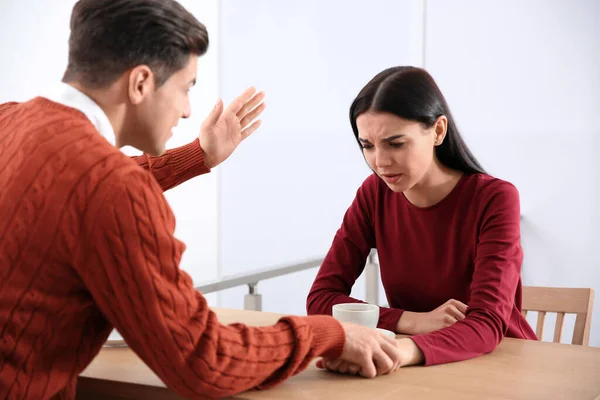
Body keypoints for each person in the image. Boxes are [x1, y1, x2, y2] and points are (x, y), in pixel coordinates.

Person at [0, 1, 402, 399]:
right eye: (186, 87)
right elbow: (203, 360)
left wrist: (199, 155)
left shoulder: (10, 121)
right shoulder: (111, 188)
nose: (189, 110)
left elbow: (67, 189)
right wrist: (327, 333)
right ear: (140, 83)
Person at [307, 66, 537, 375]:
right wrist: (411, 320)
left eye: (396, 143)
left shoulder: (495, 199)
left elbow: (487, 323)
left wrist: (395, 349)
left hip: (498, 366)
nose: (380, 162)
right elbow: (321, 299)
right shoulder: (374, 195)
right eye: (368, 146)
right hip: (418, 369)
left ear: (438, 131)